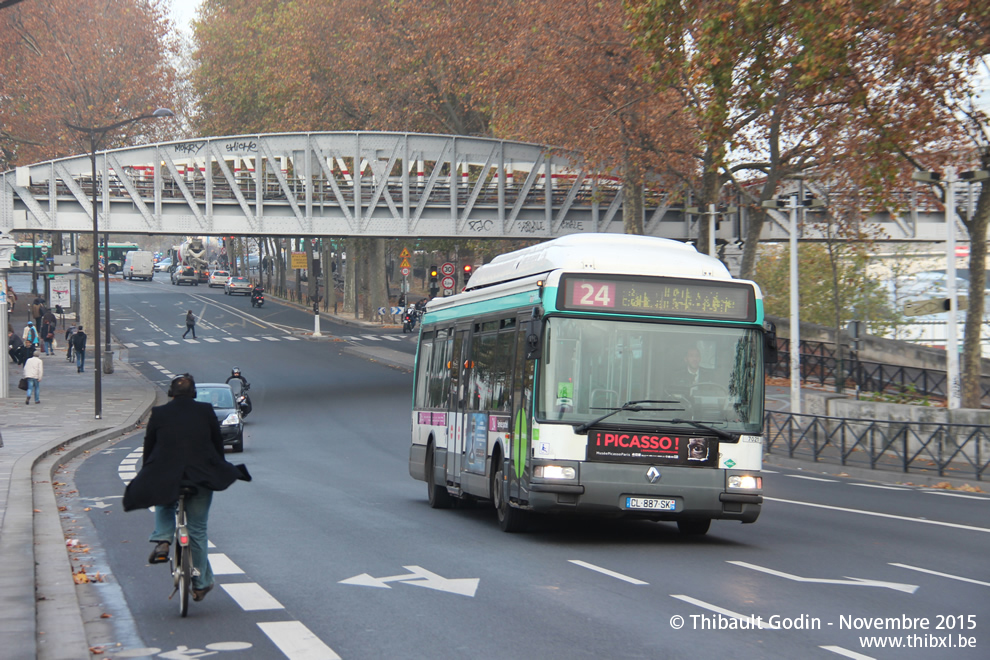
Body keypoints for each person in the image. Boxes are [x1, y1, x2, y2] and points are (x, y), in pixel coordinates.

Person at [122, 373, 251, 602]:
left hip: (167, 475)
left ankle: (163, 539)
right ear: (194, 394)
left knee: (164, 499)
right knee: (197, 530)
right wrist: (217, 466)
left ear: (171, 393)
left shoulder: (160, 413)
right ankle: (201, 583)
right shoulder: (205, 411)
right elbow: (216, 444)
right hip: (200, 477)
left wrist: (148, 471)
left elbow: (149, 445)